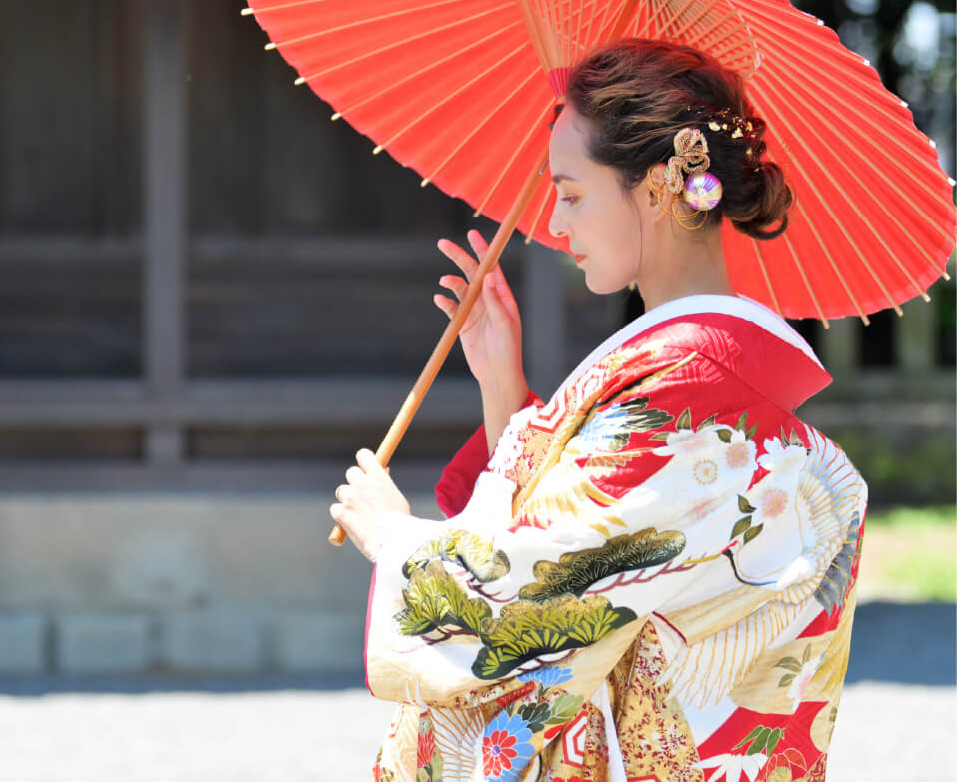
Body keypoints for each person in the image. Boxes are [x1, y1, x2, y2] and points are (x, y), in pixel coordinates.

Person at [331, 39, 867, 782]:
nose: (556, 220)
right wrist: (503, 390)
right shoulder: (704, 375)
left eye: (574, 193)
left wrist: (394, 536)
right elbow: (585, 534)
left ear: (655, 189)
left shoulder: (687, 387)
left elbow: (545, 590)